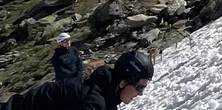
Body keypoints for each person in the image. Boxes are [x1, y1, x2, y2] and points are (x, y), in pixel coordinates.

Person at [2, 50, 153, 110]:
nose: (140, 94)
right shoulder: (93, 101)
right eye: (139, 87)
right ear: (123, 83)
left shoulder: (107, 94)